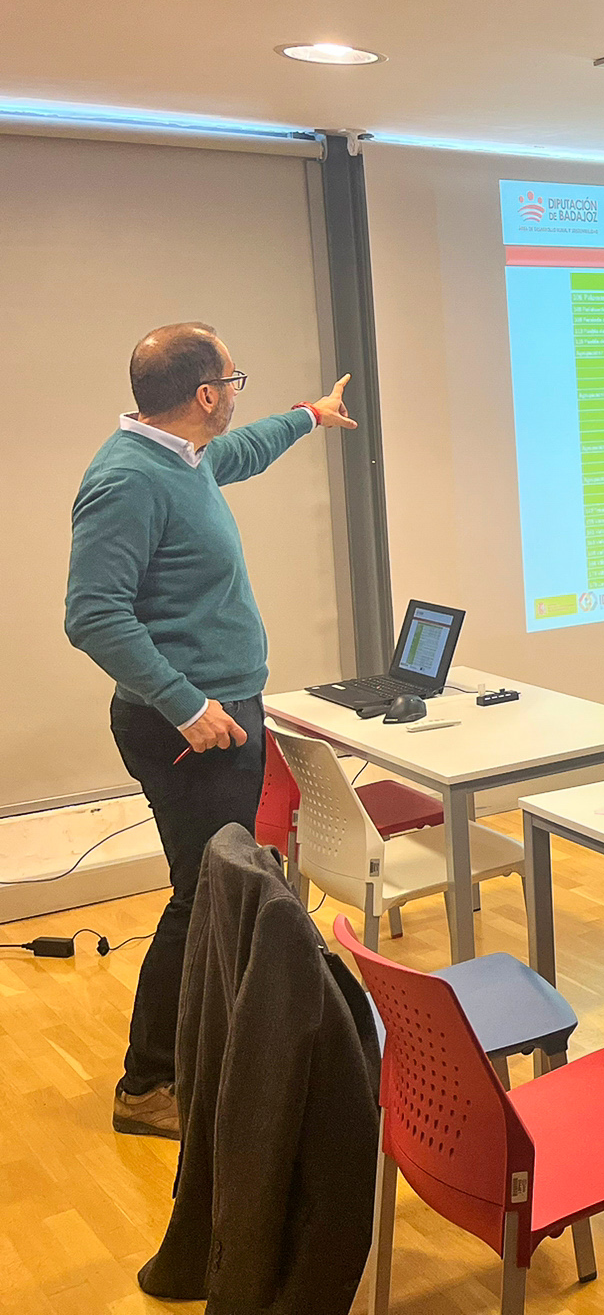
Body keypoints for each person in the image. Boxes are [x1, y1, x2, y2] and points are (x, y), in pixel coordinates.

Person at [65, 324, 356, 1139]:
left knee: (217, 894)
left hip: (219, 717)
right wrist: (187, 705)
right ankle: (147, 1084)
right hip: (193, 729)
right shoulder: (128, 480)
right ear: (204, 395)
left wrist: (308, 416)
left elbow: (241, 451)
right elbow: (92, 615)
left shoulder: (181, 458)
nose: (236, 393)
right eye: (233, 381)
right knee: (202, 899)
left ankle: (205, 1055)